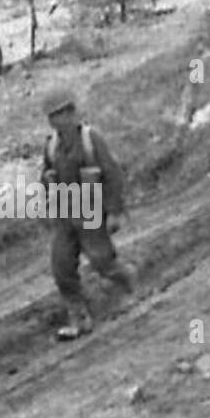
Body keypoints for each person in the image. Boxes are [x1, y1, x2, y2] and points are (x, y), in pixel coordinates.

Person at [40, 88, 134, 340]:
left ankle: (127, 286)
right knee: (61, 267)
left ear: (72, 113)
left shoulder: (91, 139)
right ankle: (79, 318)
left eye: (61, 113)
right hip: (64, 215)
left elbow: (113, 174)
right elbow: (46, 177)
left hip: (90, 211)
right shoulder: (51, 145)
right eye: (52, 116)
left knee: (102, 260)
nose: (57, 121)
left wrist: (114, 212)